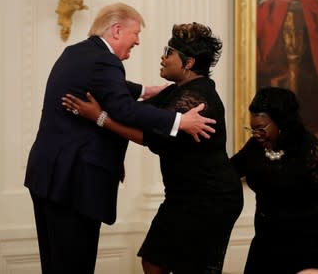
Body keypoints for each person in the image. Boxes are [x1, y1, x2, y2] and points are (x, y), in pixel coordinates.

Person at [24, 3, 217, 274]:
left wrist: (144, 90)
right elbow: (122, 108)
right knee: (74, 264)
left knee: (55, 263)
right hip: (73, 181)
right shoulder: (105, 60)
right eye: (135, 33)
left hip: (47, 176)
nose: (137, 40)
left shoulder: (77, 52)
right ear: (116, 30)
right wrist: (179, 121)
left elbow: (105, 87)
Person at [61, 22, 244, 274]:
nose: (163, 57)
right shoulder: (176, 91)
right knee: (153, 262)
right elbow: (133, 113)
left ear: (188, 63)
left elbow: (150, 137)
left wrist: (99, 118)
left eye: (169, 52)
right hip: (182, 195)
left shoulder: (198, 98)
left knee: (184, 267)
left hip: (210, 197)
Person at [229, 87, 318, 274]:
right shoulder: (255, 146)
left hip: (307, 245)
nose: (256, 134)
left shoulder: (308, 149)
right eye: (252, 129)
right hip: (267, 244)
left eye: (262, 128)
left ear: (281, 122)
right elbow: (227, 171)